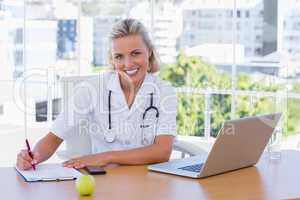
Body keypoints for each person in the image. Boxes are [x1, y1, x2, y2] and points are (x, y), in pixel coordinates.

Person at [16, 18, 177, 170]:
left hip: (147, 181)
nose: (128, 64)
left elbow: (162, 152)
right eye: (119, 57)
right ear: (112, 60)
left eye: (135, 53)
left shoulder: (164, 91)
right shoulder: (90, 89)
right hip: (103, 179)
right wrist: (33, 157)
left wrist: (106, 157)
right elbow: (54, 137)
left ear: (149, 52)